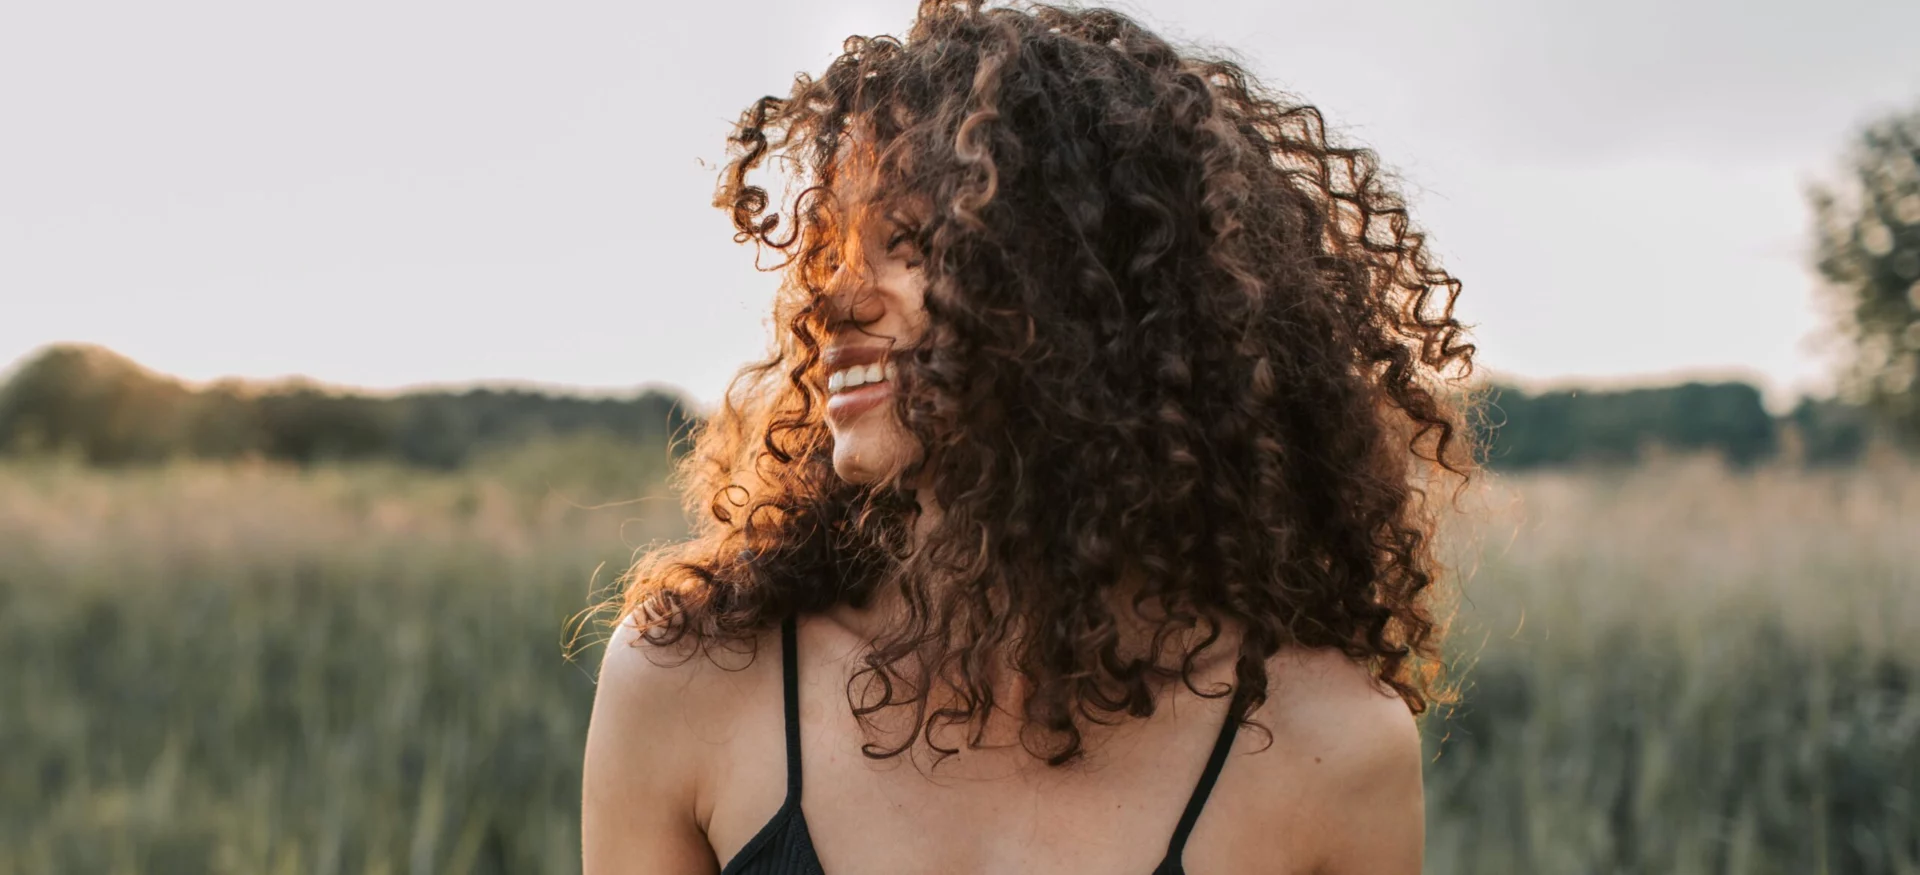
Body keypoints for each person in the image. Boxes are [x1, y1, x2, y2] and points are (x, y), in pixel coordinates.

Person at [583, 2, 1476, 872]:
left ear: (1084, 290)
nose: (834, 298)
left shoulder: (1329, 749)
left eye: (908, 241)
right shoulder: (693, 682)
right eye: (832, 249)